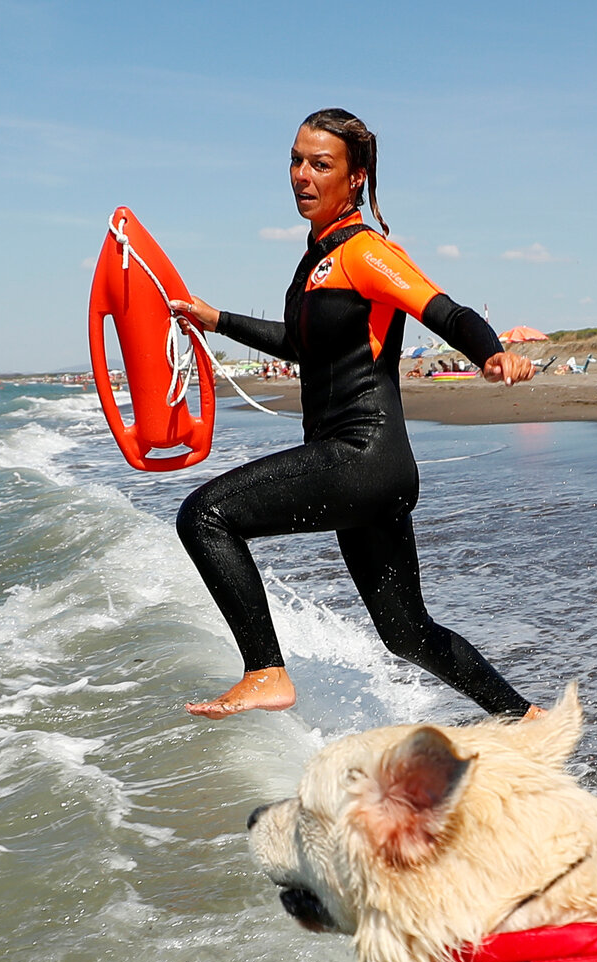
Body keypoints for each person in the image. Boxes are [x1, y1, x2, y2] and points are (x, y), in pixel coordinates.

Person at [167, 109, 536, 720]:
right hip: (367, 472)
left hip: (360, 456)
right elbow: (298, 344)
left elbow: (443, 309)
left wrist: (490, 352)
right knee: (406, 632)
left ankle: (264, 672)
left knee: (205, 516)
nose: (302, 176)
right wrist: (217, 320)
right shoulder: (316, 259)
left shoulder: (364, 252)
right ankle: (527, 720)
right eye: (295, 160)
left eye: (320, 164)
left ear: (356, 178)